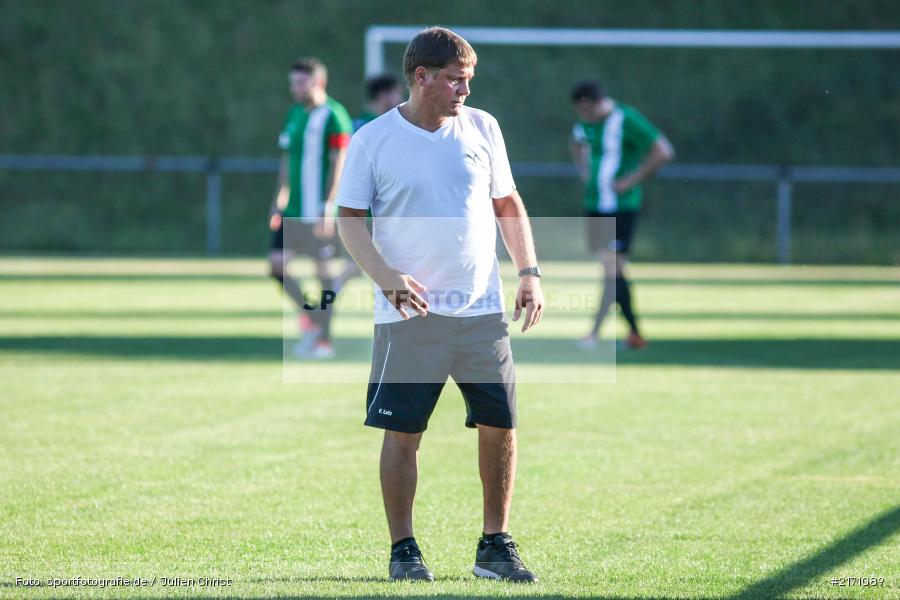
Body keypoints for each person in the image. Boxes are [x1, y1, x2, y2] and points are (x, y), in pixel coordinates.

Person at [336, 27, 543, 583]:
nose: (464, 92)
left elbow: (506, 201)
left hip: (482, 312)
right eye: (455, 80)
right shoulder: (373, 140)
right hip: (411, 317)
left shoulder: (483, 128)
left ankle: (494, 546)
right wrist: (386, 277)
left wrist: (528, 271)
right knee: (404, 433)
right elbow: (349, 220)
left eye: (469, 80)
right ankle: (404, 550)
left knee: (501, 424)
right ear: (421, 77)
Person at [569, 79, 674, 351]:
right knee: (613, 271)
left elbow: (663, 151)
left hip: (621, 207)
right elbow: (577, 142)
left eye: (586, 111)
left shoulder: (626, 119)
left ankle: (596, 332)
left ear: (594, 103)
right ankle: (635, 334)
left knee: (611, 269)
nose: (583, 117)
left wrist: (633, 179)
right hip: (594, 205)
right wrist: (584, 171)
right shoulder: (587, 123)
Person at [268, 57, 352, 359]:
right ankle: (315, 317)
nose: (295, 88)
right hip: (292, 212)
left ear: (319, 82)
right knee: (276, 266)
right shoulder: (294, 114)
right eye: (293, 83)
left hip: (318, 212)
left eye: (301, 82)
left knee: (323, 273)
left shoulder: (334, 115)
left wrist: (328, 207)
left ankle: (324, 340)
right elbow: (286, 162)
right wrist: (277, 201)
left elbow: (338, 165)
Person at [331, 74, 406, 293]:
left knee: (365, 263)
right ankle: (325, 299)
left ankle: (324, 302)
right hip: (372, 210)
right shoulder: (377, 128)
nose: (399, 101)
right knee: (369, 262)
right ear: (384, 96)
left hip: (357, 207)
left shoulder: (353, 124)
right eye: (396, 95)